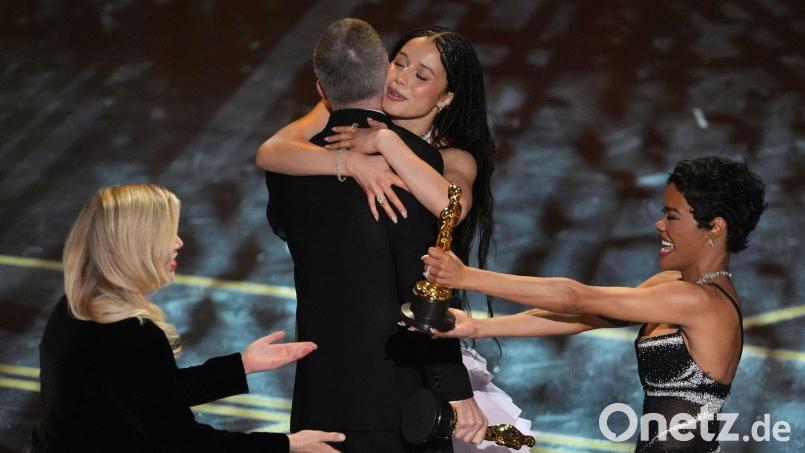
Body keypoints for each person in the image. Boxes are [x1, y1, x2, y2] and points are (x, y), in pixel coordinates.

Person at [256, 19, 495, 451]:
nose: (401, 79)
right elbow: (271, 150)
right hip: (385, 387)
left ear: (446, 97)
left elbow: (450, 209)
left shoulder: (448, 158)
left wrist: (386, 143)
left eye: (421, 75)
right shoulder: (338, 129)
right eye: (398, 63)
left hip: (402, 367)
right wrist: (351, 163)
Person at [425, 157, 767, 452]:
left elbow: (576, 297)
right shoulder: (673, 286)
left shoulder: (698, 301)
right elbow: (584, 316)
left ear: (715, 227)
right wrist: (478, 327)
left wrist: (467, 277)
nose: (659, 224)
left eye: (672, 216)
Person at [32, 184, 344, 453]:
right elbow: (182, 442)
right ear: (135, 244)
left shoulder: (75, 309)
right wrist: (286, 445)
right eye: (167, 233)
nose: (179, 242)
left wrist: (243, 364)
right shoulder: (131, 333)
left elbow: (147, 392)